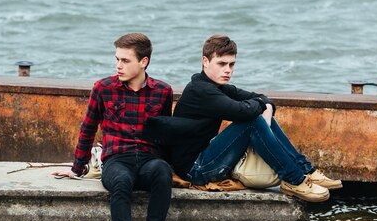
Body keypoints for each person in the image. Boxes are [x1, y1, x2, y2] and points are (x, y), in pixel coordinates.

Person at [144, 34, 341, 202]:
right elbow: (244, 112)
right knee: (252, 122)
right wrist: (264, 107)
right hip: (197, 169)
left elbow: (261, 98)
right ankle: (295, 179)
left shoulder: (217, 87)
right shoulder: (201, 91)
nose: (228, 70)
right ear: (205, 62)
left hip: (205, 157)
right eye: (222, 64)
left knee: (256, 117)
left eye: (231, 64)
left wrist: (266, 106)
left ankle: (306, 170)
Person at [52, 33, 173, 221]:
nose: (118, 65)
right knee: (121, 181)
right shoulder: (103, 88)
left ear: (144, 62)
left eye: (125, 60)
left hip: (149, 161)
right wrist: (77, 168)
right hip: (117, 160)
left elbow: (166, 135)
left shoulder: (163, 91)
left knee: (163, 171)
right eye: (117, 59)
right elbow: (88, 128)